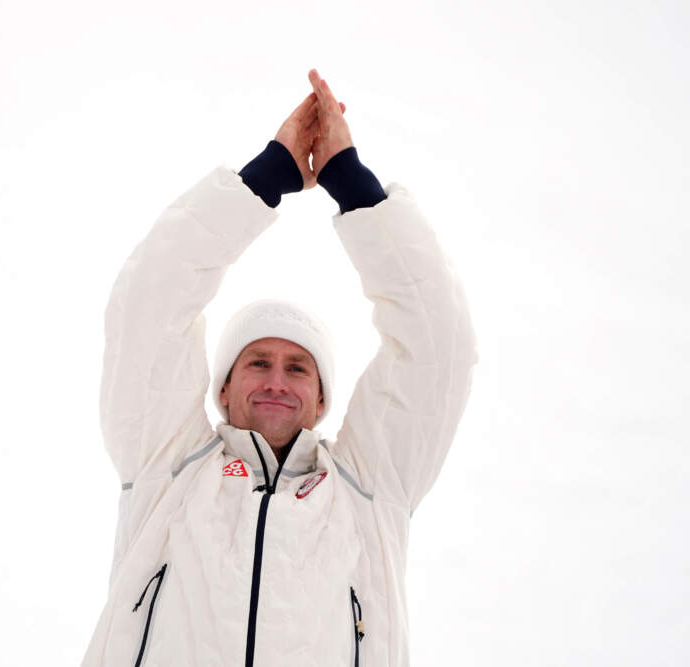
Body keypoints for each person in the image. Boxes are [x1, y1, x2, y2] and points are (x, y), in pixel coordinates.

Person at [81, 68, 478, 667]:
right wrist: (263, 179)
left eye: (299, 368)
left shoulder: (370, 490)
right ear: (221, 387)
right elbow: (149, 306)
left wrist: (353, 186)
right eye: (257, 361)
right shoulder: (167, 467)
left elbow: (437, 343)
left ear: (322, 401)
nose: (275, 380)